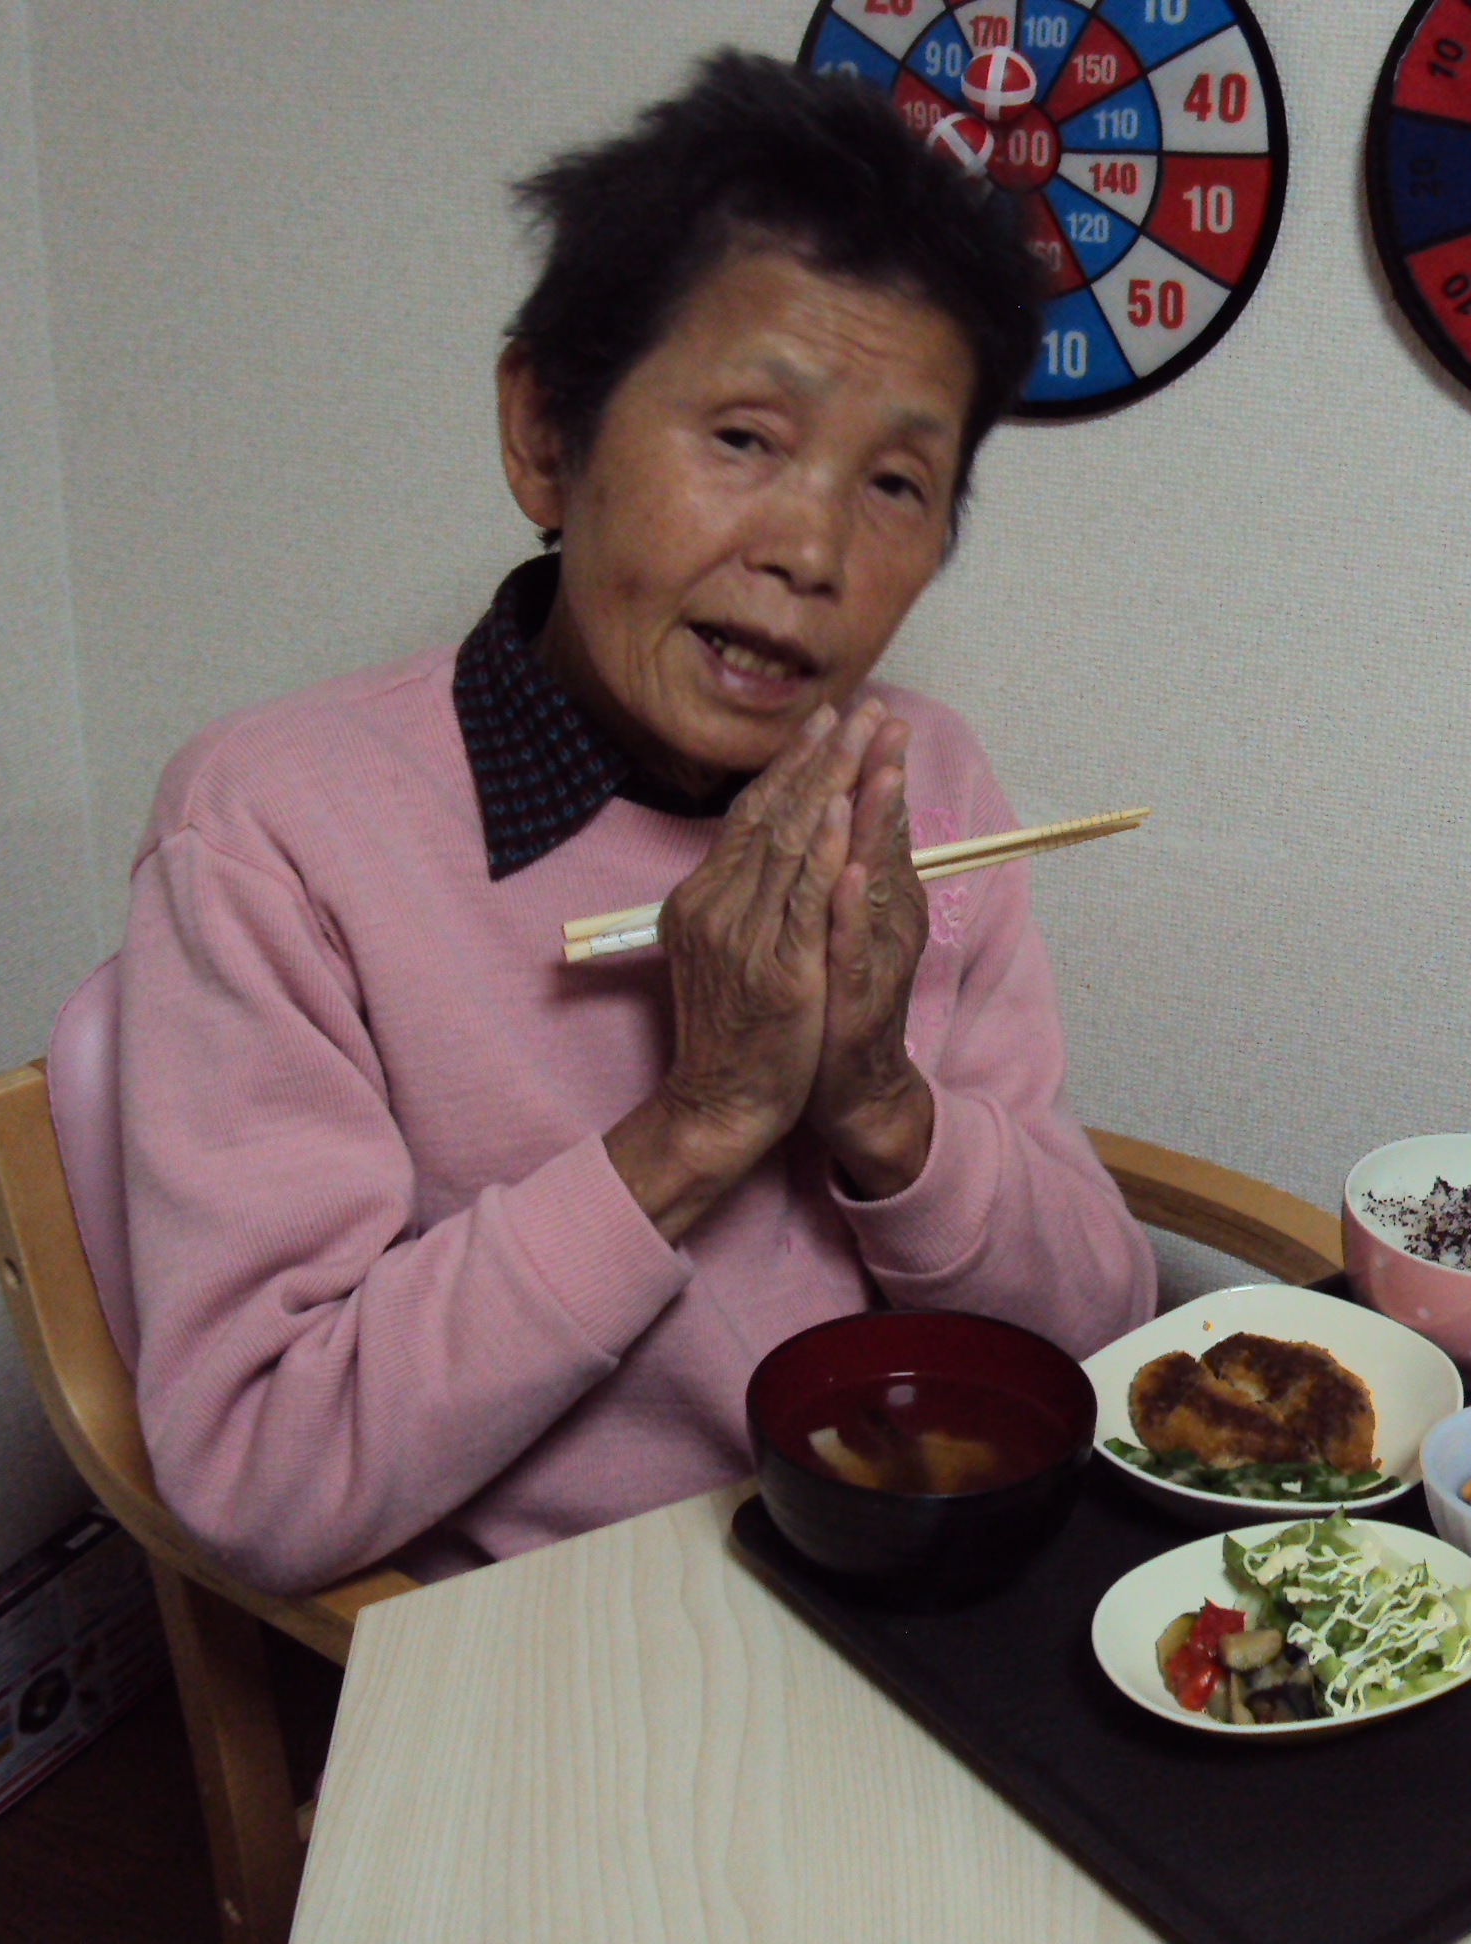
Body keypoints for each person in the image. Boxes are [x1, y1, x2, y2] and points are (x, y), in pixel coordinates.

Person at [115, 52, 1157, 1595]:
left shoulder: (920, 783)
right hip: (567, 1643)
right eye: (744, 437)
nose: (811, 548)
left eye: (895, 483)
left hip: (923, 1581)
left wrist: (881, 1103)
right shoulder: (277, 829)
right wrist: (704, 1119)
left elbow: (1101, 1337)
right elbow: (260, 1473)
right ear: (548, 432)